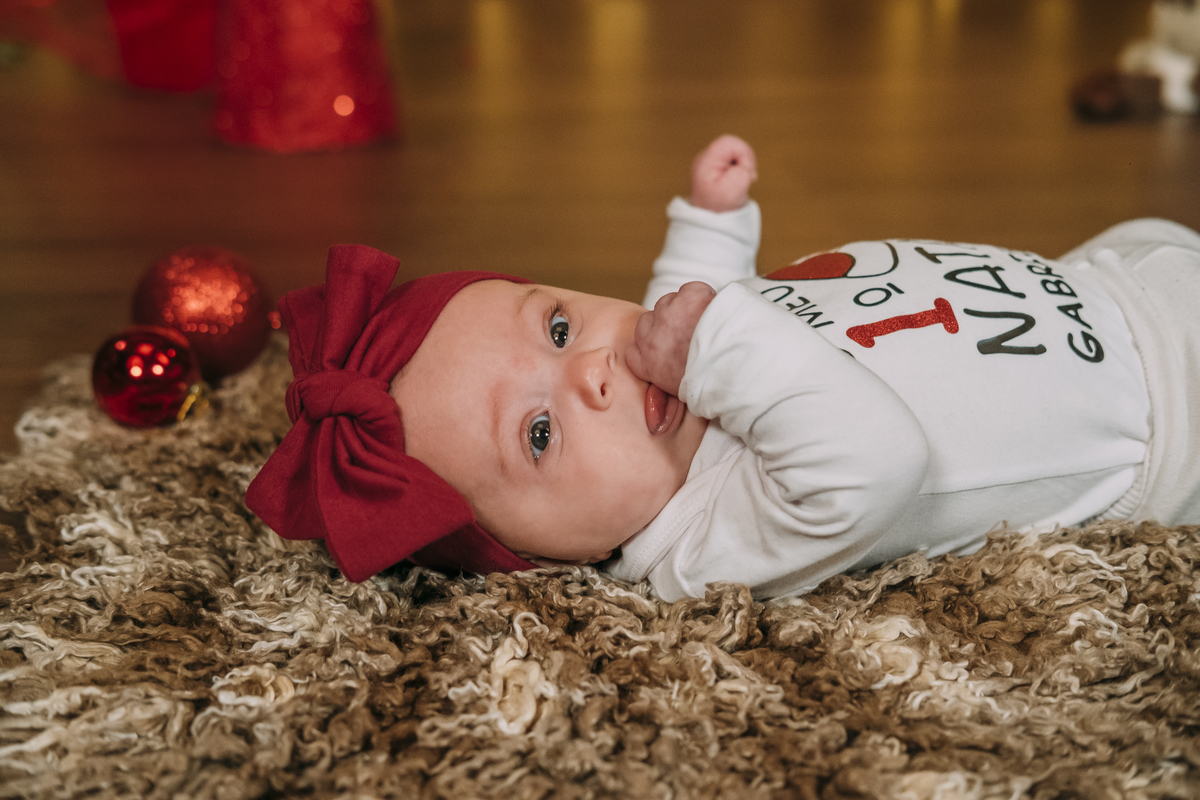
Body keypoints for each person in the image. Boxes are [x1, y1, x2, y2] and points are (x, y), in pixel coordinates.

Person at [246, 136, 1200, 601]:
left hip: (1101, 279)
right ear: (532, 560)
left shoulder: (658, 380)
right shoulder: (704, 546)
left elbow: (683, 312)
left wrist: (707, 227)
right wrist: (714, 346)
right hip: (1171, 411)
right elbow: (873, 459)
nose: (593, 374)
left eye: (561, 324)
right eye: (540, 434)